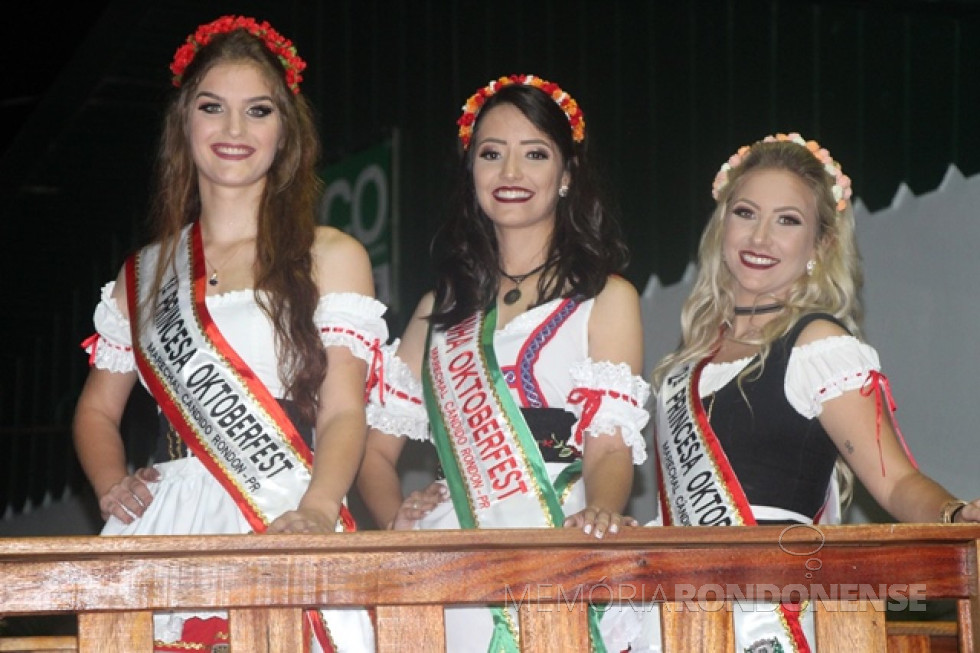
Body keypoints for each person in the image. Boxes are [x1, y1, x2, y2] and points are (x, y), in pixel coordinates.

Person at [71, 15, 381, 652]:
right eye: (213, 108)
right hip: (173, 518)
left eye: (258, 111)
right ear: (184, 125)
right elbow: (97, 411)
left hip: (290, 502)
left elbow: (345, 408)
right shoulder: (147, 272)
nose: (234, 130)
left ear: (285, 133)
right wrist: (112, 486)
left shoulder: (331, 255)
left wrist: (321, 509)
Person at [647, 132, 980, 651]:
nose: (760, 237)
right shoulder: (691, 356)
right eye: (745, 213)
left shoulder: (817, 346)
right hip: (684, 610)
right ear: (721, 226)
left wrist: (953, 515)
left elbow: (894, 483)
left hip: (769, 615)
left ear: (820, 246)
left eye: (788, 220)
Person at [355, 74, 651, 652]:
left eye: (534, 154)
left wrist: (600, 512)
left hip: (560, 524)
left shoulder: (607, 297)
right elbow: (373, 452)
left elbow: (611, 444)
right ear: (471, 173)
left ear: (566, 176)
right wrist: (401, 523)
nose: (511, 173)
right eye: (492, 154)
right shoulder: (437, 311)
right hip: (454, 550)